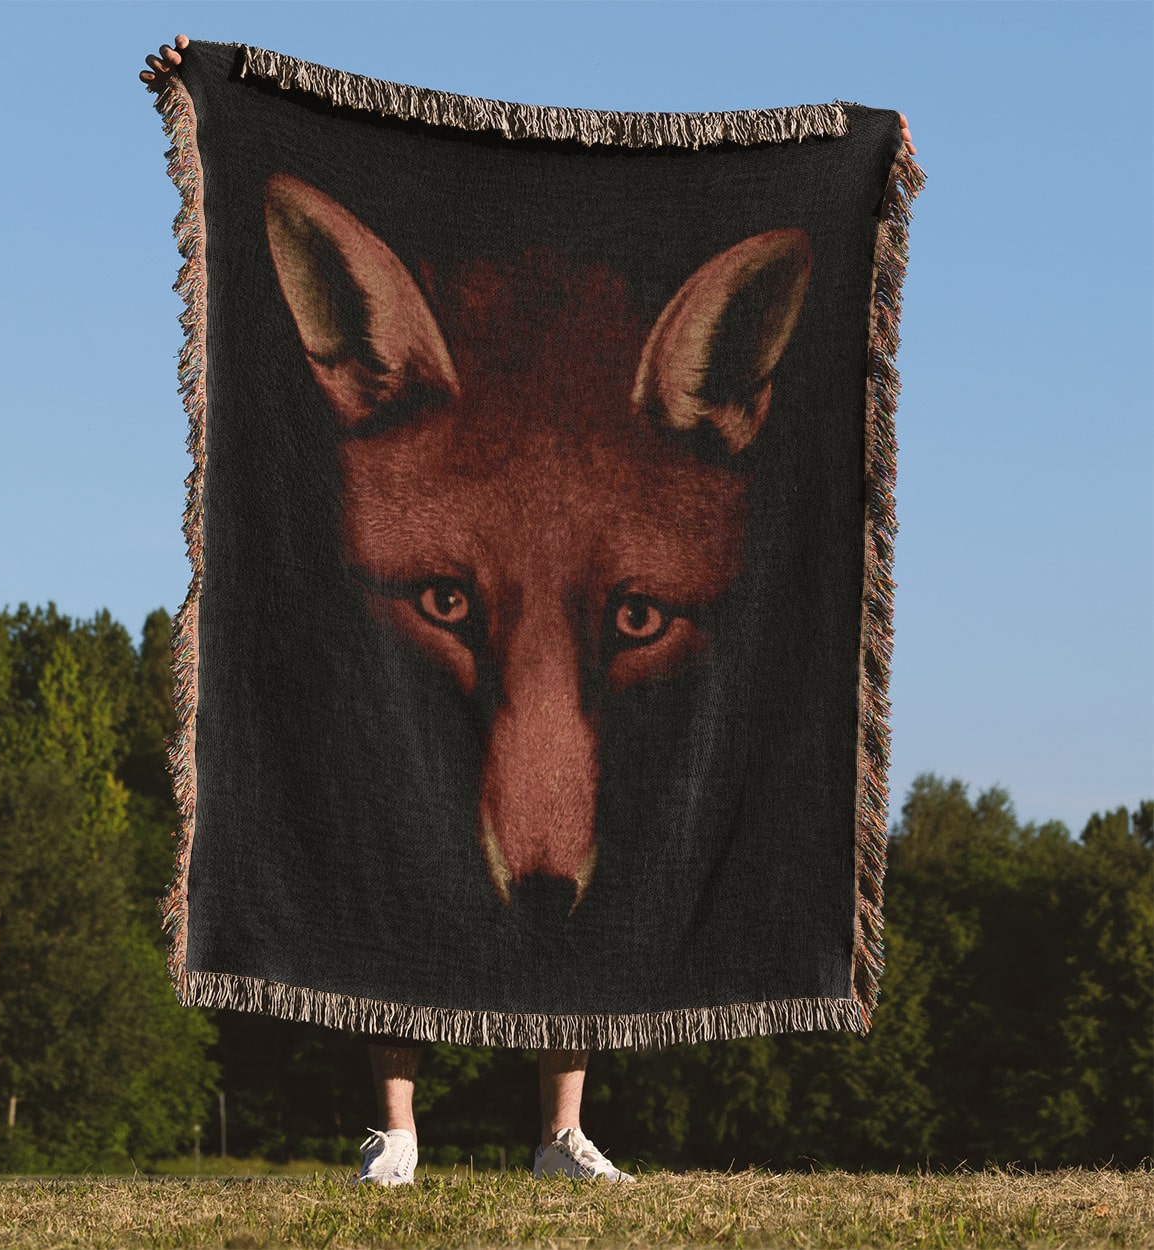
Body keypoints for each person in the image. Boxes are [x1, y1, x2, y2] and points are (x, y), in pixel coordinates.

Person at [139, 35, 917, 1187]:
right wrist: (203, 84)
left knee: (602, 847)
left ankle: (560, 1130)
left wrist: (863, 166)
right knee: (395, 823)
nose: (535, 822)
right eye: (446, 597)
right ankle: (395, 1128)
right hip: (415, 700)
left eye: (637, 618)